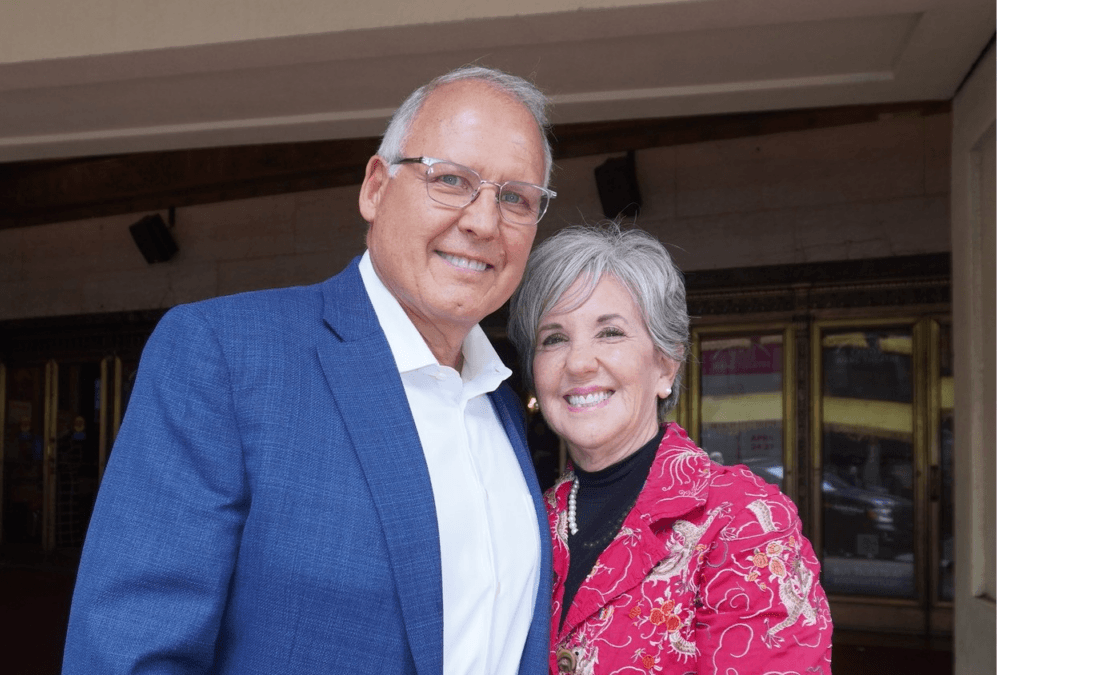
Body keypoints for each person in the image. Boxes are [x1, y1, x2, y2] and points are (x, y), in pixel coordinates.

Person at [63, 66, 558, 674]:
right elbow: (130, 655)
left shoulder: (499, 402)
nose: (485, 222)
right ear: (376, 188)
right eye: (451, 180)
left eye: (516, 198)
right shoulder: (226, 355)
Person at [507, 224, 833, 674]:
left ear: (666, 365)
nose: (579, 362)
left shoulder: (743, 520)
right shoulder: (524, 524)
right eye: (554, 338)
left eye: (611, 333)